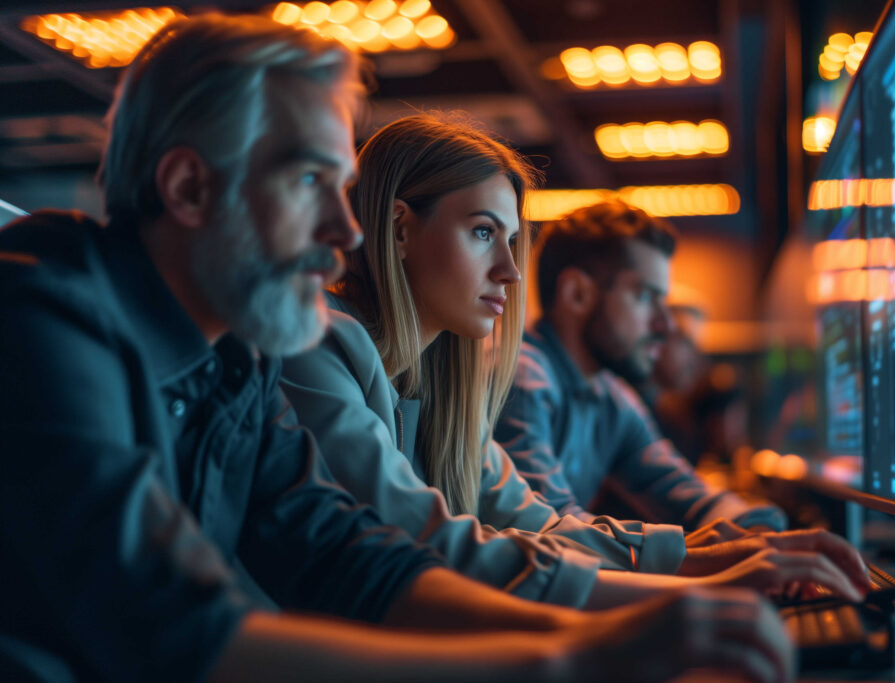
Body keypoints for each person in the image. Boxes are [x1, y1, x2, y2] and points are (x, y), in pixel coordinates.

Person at [0, 16, 796, 682]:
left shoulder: (231, 365)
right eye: (311, 182)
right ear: (187, 188)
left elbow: (354, 559)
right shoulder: (45, 308)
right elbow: (180, 630)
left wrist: (645, 616)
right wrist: (573, 657)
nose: (346, 232)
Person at [279, 114, 871, 611]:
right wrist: (698, 586)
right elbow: (430, 546)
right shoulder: (321, 346)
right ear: (400, 229)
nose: (511, 271)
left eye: (511, 242)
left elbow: (539, 525)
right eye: (484, 232)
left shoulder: (442, 384)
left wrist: (713, 555)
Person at [494, 200, 788, 531]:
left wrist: (764, 532)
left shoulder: (611, 396)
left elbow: (688, 494)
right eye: (646, 297)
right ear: (577, 294)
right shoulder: (520, 378)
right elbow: (550, 531)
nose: (666, 324)